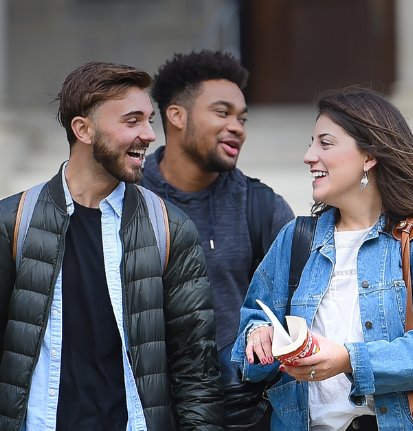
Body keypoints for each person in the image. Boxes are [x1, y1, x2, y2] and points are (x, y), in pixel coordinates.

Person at [0, 62, 225, 430]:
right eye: (132, 121)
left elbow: (196, 367)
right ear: (83, 129)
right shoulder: (12, 222)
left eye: (149, 120)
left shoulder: (169, 228)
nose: (150, 135)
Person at [232, 87, 413, 430]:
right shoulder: (296, 238)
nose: (309, 156)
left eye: (325, 143)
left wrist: (349, 360)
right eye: (311, 143)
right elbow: (253, 324)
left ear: (369, 156)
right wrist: (259, 335)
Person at [145, 50, 295, 428]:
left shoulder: (263, 207)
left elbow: (296, 311)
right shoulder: (126, 200)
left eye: (242, 118)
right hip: (147, 408)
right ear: (176, 116)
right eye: (222, 112)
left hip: (238, 411)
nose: (237, 127)